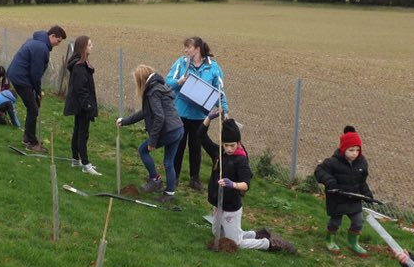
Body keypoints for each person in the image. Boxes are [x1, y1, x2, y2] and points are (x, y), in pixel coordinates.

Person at [200, 110, 296, 253]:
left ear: (238, 143)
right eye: (226, 145)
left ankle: (269, 243)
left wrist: (232, 184)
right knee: (217, 234)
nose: (229, 149)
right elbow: (201, 136)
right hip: (218, 204)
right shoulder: (218, 153)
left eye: (232, 145)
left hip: (231, 207)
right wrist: (208, 118)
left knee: (235, 243)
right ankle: (255, 234)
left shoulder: (241, 160)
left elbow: (246, 184)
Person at [165, 36, 228, 191]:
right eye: (185, 47)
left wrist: (224, 110)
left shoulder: (213, 67)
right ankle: (175, 176)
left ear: (198, 49)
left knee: (196, 147)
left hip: (200, 116)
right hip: (180, 113)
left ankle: (194, 178)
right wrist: (178, 82)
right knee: (178, 147)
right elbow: (167, 82)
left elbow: (220, 91)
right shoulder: (181, 63)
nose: (186, 50)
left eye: (189, 47)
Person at [116, 64, 184, 203]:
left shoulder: (152, 92)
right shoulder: (161, 87)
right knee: (168, 162)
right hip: (178, 129)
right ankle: (170, 193)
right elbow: (145, 112)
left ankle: (155, 180)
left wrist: (153, 141)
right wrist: (125, 121)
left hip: (169, 131)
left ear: (141, 79)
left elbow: (159, 117)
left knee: (143, 150)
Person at [314, 126, 375, 255]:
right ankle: (330, 240)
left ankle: (353, 243)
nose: (354, 153)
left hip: (353, 198)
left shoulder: (362, 163)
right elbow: (319, 171)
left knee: (358, 221)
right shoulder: (333, 162)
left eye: (357, 150)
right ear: (343, 149)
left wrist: (367, 194)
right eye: (351, 150)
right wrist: (330, 183)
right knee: (336, 222)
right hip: (337, 198)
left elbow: (362, 182)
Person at [6, 25, 66, 154]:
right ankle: (31, 142)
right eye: (58, 41)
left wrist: (36, 92)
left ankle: (28, 137)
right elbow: (35, 74)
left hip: (18, 76)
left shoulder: (37, 42)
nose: (58, 44)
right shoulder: (41, 48)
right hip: (21, 78)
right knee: (33, 109)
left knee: (32, 107)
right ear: (52, 36)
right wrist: (38, 92)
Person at [63, 35, 101, 175]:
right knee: (82, 134)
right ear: (83, 47)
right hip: (82, 106)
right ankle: (85, 163)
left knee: (78, 131)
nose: (92, 47)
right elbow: (81, 90)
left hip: (80, 105)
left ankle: (75, 159)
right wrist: (89, 107)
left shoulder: (82, 64)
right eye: (90, 45)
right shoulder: (79, 67)